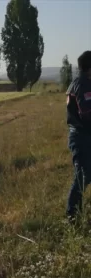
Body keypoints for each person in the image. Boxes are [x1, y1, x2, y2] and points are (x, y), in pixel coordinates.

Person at [65, 50, 91, 222]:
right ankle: (72, 215)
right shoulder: (83, 84)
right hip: (82, 137)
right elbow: (87, 114)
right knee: (83, 174)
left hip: (84, 135)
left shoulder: (82, 82)